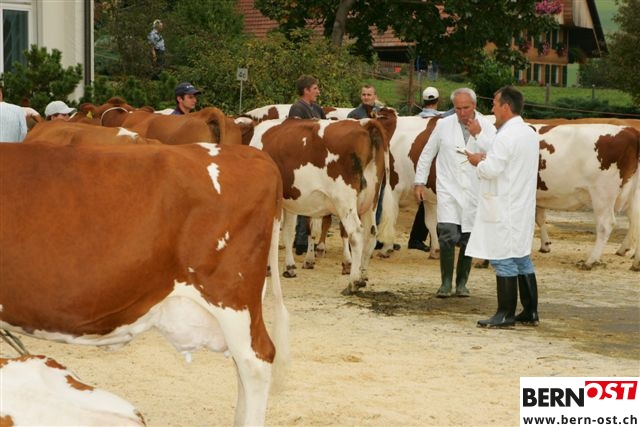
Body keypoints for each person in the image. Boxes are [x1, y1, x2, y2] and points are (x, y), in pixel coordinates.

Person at [465, 86, 540, 328]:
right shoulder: (528, 132)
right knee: (521, 257)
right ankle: (530, 311)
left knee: (503, 258)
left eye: (495, 104)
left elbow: (492, 169)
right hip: (520, 204)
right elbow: (504, 157)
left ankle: (505, 313)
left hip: (504, 204)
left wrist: (477, 162)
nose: (492, 108)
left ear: (506, 107)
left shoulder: (506, 135)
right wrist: (482, 140)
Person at [413, 87, 496, 298]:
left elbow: (496, 154)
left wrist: (478, 135)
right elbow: (427, 154)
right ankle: (445, 283)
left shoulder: (487, 126)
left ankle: (462, 284)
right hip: (448, 188)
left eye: (466, 108)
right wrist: (419, 182)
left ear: (474, 105)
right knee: (447, 234)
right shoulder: (443, 124)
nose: (461, 112)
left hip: (475, 189)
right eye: (457, 108)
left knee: (468, 238)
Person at [288, 75, 326, 255]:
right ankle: (300, 239)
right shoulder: (297, 108)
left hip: (315, 159)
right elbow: (295, 134)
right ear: (306, 90)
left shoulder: (317, 109)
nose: (318, 91)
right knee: (303, 198)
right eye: (315, 88)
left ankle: (308, 238)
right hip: (301, 160)